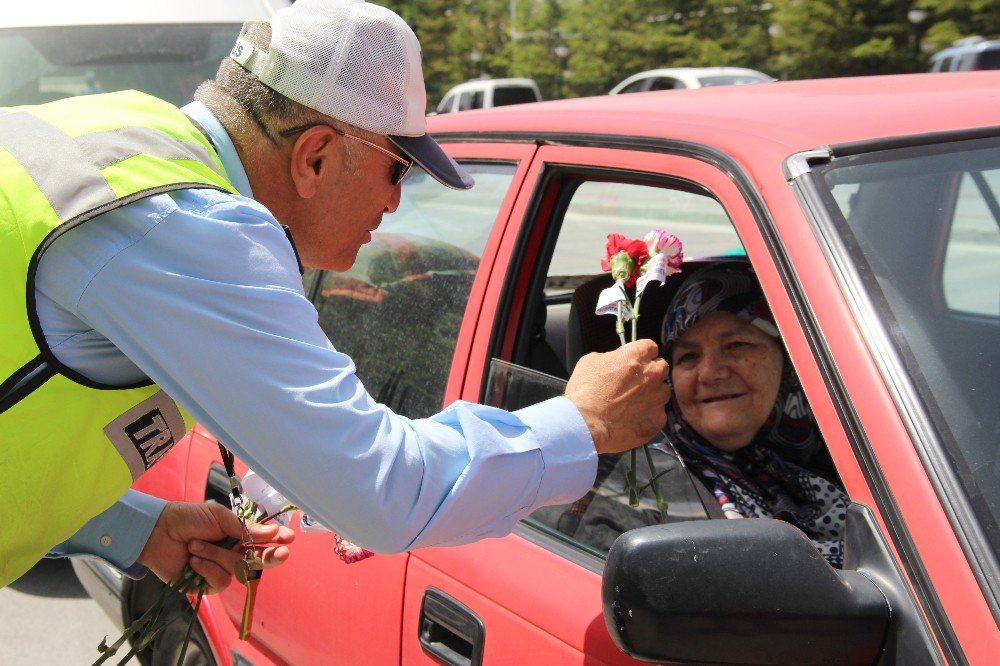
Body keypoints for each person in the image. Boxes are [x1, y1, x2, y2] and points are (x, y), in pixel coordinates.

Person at [0, 0, 669, 588]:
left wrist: (130, 526)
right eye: (395, 169)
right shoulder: (185, 227)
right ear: (315, 155)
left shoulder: (122, 131)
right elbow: (384, 492)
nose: (395, 203)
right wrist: (582, 422)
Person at [659, 261, 848, 567]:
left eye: (737, 345)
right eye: (688, 356)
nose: (709, 373)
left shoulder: (862, 458)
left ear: (790, 362)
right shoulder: (652, 483)